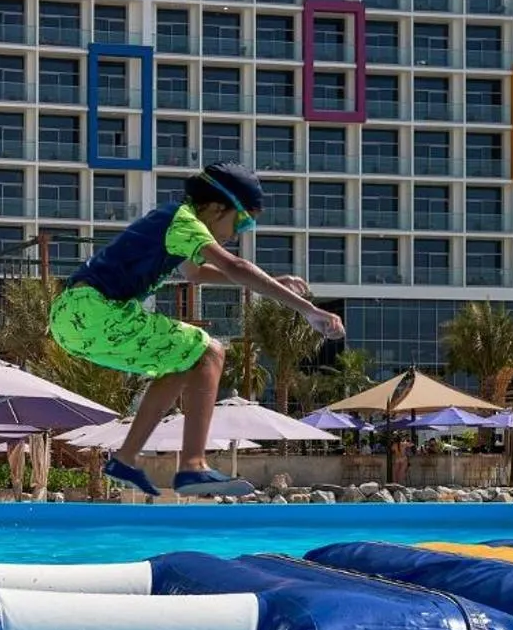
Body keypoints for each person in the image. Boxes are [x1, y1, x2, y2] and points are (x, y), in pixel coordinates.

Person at [49, 161, 345, 499]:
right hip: (95, 310)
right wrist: (308, 310)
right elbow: (235, 266)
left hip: (70, 318)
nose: (236, 233)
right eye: (241, 221)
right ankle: (193, 465)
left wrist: (274, 283)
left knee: (180, 360)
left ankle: (126, 458)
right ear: (219, 207)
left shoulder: (175, 222)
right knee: (209, 351)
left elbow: (197, 274)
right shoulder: (183, 221)